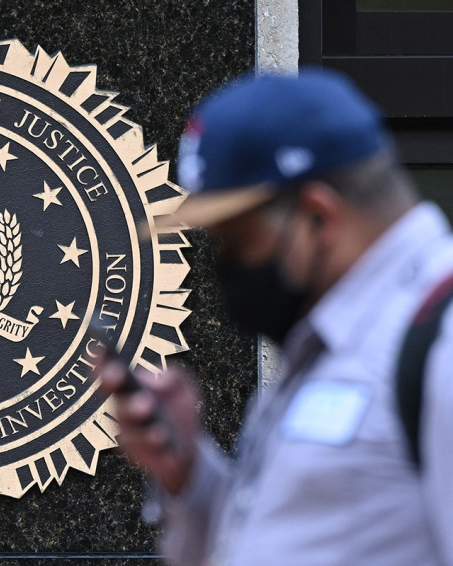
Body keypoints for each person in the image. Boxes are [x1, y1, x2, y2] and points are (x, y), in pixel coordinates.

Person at [99, 69, 453, 565]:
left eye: (237, 240)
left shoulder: (439, 343)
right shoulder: (331, 340)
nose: (225, 264)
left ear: (318, 217)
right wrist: (188, 471)